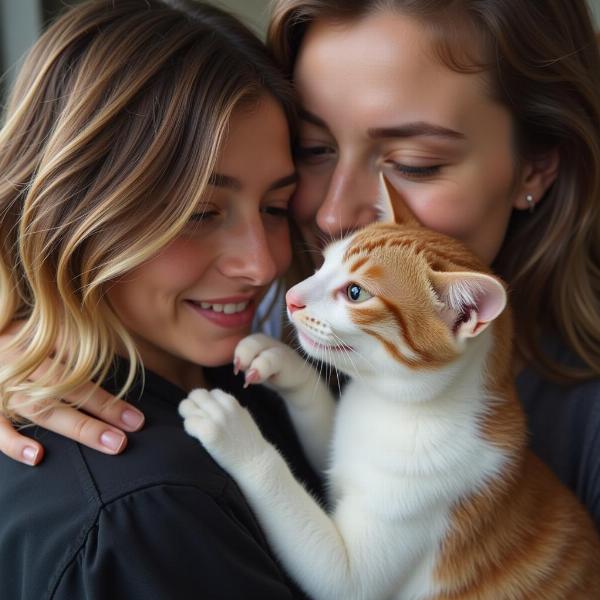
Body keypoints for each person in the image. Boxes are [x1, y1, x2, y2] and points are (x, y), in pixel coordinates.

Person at [2, 0, 600, 535]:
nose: (336, 214)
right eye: (314, 150)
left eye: (414, 163)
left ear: (537, 167)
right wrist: (20, 311)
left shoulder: (581, 424)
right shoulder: (243, 321)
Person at [0, 0, 321, 597]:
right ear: (75, 212)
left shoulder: (244, 381)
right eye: (199, 212)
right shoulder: (148, 513)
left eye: (275, 208)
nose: (262, 263)